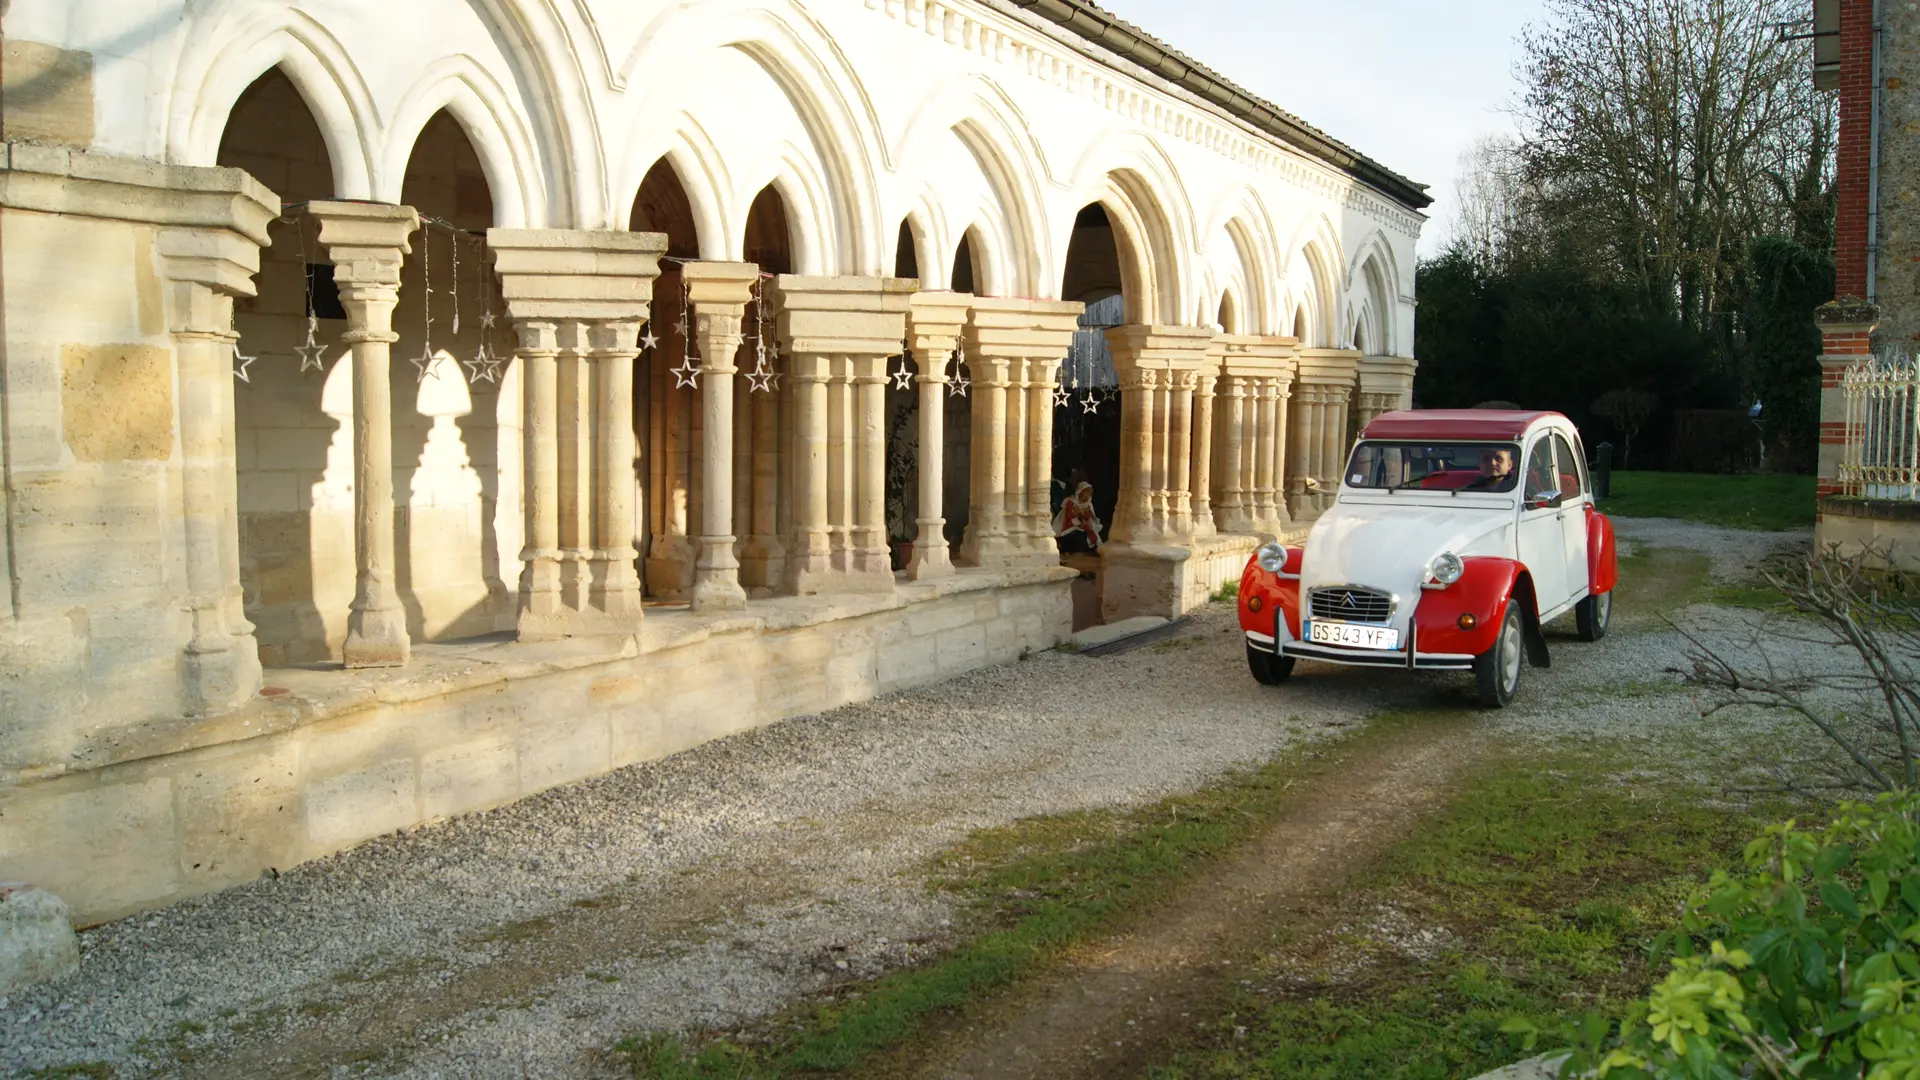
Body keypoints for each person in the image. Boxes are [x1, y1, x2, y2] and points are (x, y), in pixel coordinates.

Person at [1053, 482, 1102, 553]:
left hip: (1083, 524)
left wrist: (1084, 513)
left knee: (1090, 533)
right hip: (1069, 523)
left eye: (1089, 494)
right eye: (1086, 493)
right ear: (1080, 492)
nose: (1087, 496)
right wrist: (1078, 511)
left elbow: (1087, 518)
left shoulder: (1088, 505)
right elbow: (1069, 515)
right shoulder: (1070, 501)